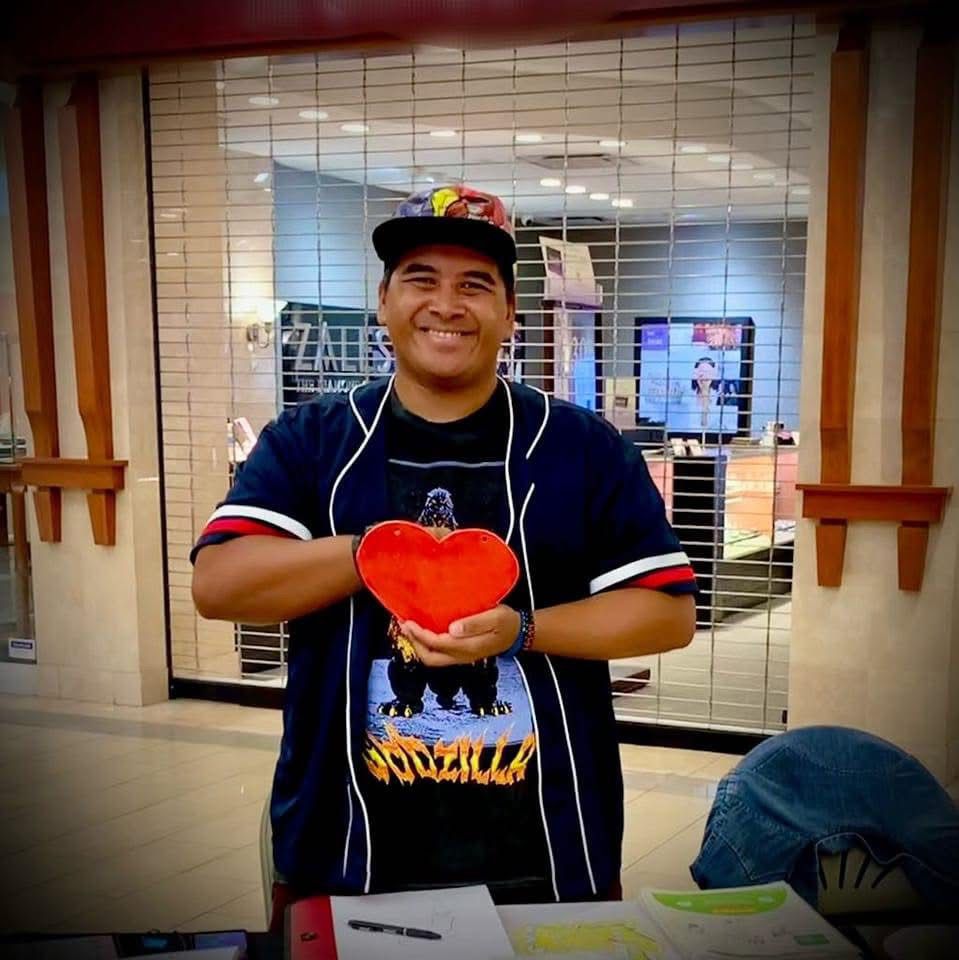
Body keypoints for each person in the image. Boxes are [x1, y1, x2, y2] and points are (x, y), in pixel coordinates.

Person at [191, 184, 697, 929]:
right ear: (385, 301)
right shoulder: (311, 442)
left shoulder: (584, 451)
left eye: (474, 285)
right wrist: (375, 552)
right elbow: (219, 584)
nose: (446, 304)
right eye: (420, 279)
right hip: (343, 845)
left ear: (508, 313)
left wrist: (519, 631)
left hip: (549, 852)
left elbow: (667, 613)